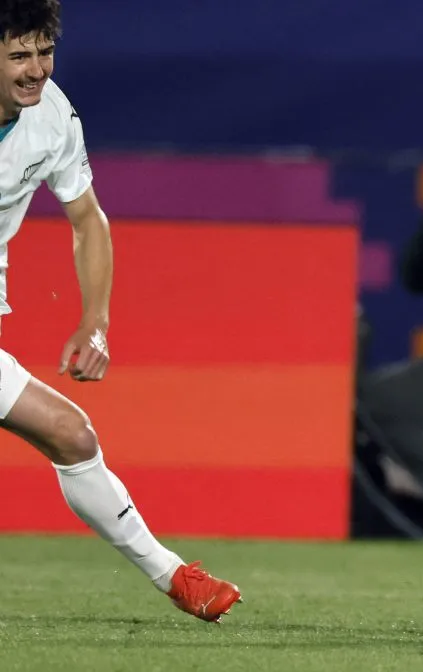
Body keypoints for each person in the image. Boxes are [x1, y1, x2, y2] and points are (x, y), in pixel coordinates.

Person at [0, 1, 240, 622]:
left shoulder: (53, 118)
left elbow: (88, 220)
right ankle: (172, 575)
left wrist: (95, 321)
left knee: (73, 436)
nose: (36, 70)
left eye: (44, 52)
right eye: (19, 55)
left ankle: (175, 579)